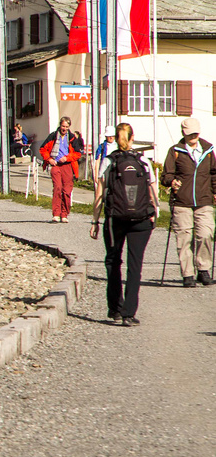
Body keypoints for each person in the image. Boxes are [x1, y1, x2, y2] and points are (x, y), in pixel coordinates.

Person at [92, 122, 159, 324]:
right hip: (141, 218)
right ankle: (129, 313)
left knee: (113, 260)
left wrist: (95, 221)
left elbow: (99, 193)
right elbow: (152, 190)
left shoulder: (109, 161)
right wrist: (154, 213)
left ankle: (115, 309)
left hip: (115, 218)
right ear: (132, 138)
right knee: (135, 264)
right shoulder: (143, 161)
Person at [160, 116, 215, 287]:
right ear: (183, 134)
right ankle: (188, 274)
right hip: (181, 201)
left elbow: (214, 173)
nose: (193, 137)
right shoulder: (175, 151)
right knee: (184, 238)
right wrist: (171, 181)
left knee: (205, 234)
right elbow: (166, 175)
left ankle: (203, 269)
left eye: (195, 134)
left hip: (204, 200)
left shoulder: (208, 150)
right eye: (190, 134)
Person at [40, 115, 85, 223]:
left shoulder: (72, 138)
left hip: (67, 165)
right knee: (57, 188)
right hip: (55, 165)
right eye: (62, 126)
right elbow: (42, 149)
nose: (64, 128)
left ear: (69, 127)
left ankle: (64, 214)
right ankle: (56, 214)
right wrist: (49, 159)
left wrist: (67, 158)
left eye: (66, 126)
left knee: (66, 191)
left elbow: (78, 153)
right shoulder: (53, 136)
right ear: (60, 125)